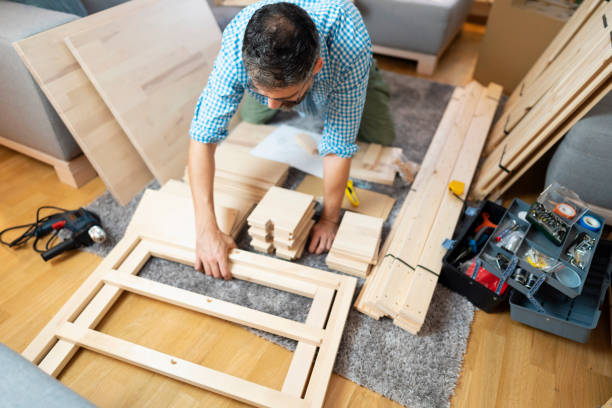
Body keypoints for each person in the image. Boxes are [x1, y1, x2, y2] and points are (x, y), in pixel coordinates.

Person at [188, 0, 395, 279]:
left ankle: (341, 84)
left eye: (282, 97)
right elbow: (202, 137)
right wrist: (205, 230)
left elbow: (338, 147)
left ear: (317, 67)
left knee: (382, 139)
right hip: (281, 74)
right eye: (263, 92)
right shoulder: (237, 41)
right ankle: (275, 90)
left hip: (348, 72)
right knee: (252, 119)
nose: (272, 105)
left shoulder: (351, 45)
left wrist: (330, 219)